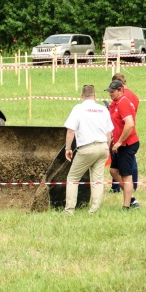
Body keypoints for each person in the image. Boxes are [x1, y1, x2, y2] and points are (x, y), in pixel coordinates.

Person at [63, 84, 114, 215]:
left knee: (73, 178)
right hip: (103, 146)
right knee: (97, 180)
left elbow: (70, 130)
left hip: (87, 148)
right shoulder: (103, 109)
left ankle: (69, 210)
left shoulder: (78, 109)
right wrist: (107, 149)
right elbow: (109, 133)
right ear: (95, 96)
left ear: (81, 96)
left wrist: (68, 148)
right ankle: (94, 211)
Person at [105, 80, 140, 211]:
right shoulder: (117, 102)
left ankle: (127, 206)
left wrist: (119, 142)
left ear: (120, 90)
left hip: (127, 144)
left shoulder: (123, 102)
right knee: (114, 171)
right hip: (120, 144)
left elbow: (130, 124)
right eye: (109, 91)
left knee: (126, 176)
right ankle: (131, 198)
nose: (110, 94)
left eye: (112, 91)